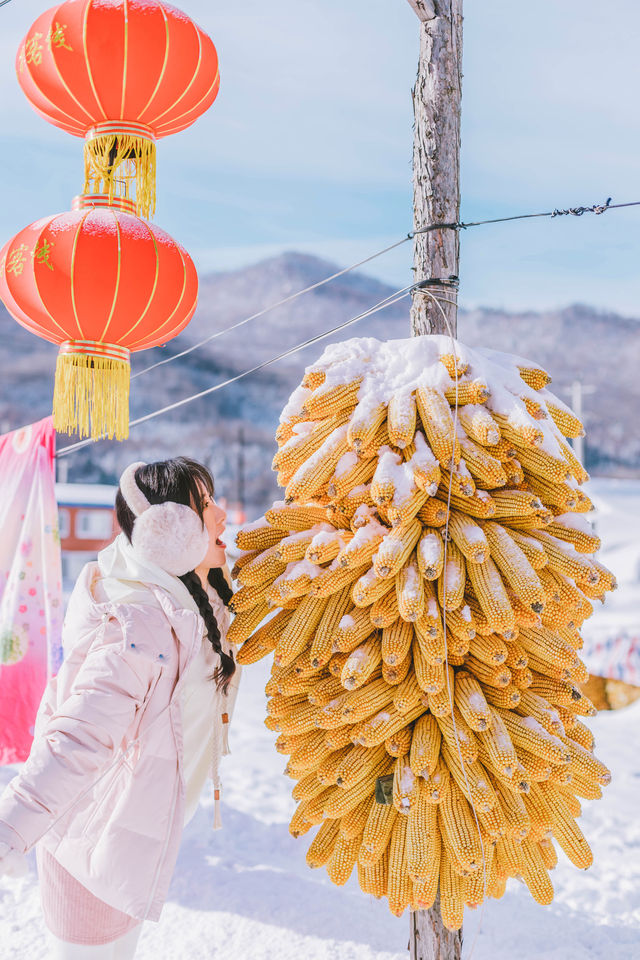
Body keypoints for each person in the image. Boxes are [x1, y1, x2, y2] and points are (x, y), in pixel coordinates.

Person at [0, 457, 240, 959]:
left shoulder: (182, 598)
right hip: (90, 852)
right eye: (205, 506)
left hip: (122, 843)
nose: (221, 516)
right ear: (168, 532)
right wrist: (10, 828)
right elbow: (80, 736)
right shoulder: (138, 623)